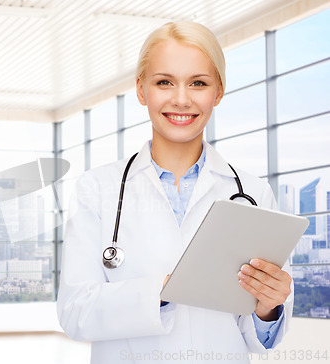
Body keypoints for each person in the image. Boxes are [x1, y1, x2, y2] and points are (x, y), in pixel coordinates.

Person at [56, 21, 293, 363]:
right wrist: (162, 291)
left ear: (218, 92)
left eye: (198, 83)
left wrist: (269, 307)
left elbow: (261, 332)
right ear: (141, 90)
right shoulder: (98, 189)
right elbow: (75, 312)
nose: (181, 99)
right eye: (164, 82)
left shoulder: (254, 193)